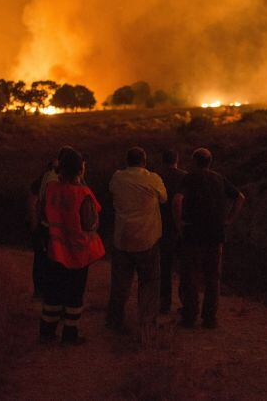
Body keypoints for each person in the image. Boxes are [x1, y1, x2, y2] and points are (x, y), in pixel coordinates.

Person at [173, 148, 244, 329]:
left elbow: (177, 200)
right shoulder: (219, 178)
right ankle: (210, 318)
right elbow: (240, 197)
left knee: (190, 277)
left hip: (193, 235)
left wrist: (179, 222)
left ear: (194, 161)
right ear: (210, 161)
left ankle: (190, 316)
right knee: (213, 278)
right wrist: (229, 220)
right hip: (216, 235)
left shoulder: (190, 177)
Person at [39, 148, 105, 345]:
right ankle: (70, 334)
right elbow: (90, 222)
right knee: (74, 294)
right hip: (77, 251)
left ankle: (47, 332)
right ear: (80, 169)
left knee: (53, 292)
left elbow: (43, 214)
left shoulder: (51, 189)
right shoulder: (83, 193)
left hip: (55, 249)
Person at [106, 147, 167, 332]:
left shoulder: (117, 178)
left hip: (122, 238)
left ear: (127, 160)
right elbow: (164, 198)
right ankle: (147, 323)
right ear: (144, 161)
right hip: (147, 238)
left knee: (120, 284)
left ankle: (114, 321)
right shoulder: (153, 179)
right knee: (149, 282)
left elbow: (111, 192)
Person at [156, 149, 187, 314]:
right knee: (185, 268)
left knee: (165, 268)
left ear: (163, 161)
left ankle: (164, 303)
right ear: (177, 160)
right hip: (181, 228)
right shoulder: (185, 177)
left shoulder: (155, 178)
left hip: (162, 228)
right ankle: (186, 303)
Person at [28, 159, 58, 300]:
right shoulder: (40, 184)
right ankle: (40, 291)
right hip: (44, 226)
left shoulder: (45, 183)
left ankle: (45, 290)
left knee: (45, 259)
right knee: (41, 258)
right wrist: (35, 226)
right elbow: (32, 204)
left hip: (48, 226)